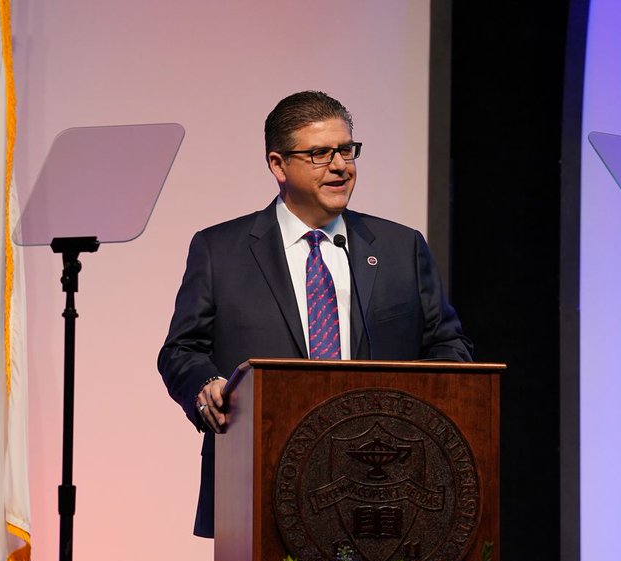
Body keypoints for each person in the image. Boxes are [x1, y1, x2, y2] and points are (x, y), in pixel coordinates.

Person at [158, 91, 472, 537]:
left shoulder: (401, 248)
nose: (341, 165)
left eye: (346, 150)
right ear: (278, 164)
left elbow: (449, 346)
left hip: (386, 489)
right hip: (259, 486)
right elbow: (181, 350)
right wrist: (206, 385)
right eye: (320, 154)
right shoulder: (220, 251)